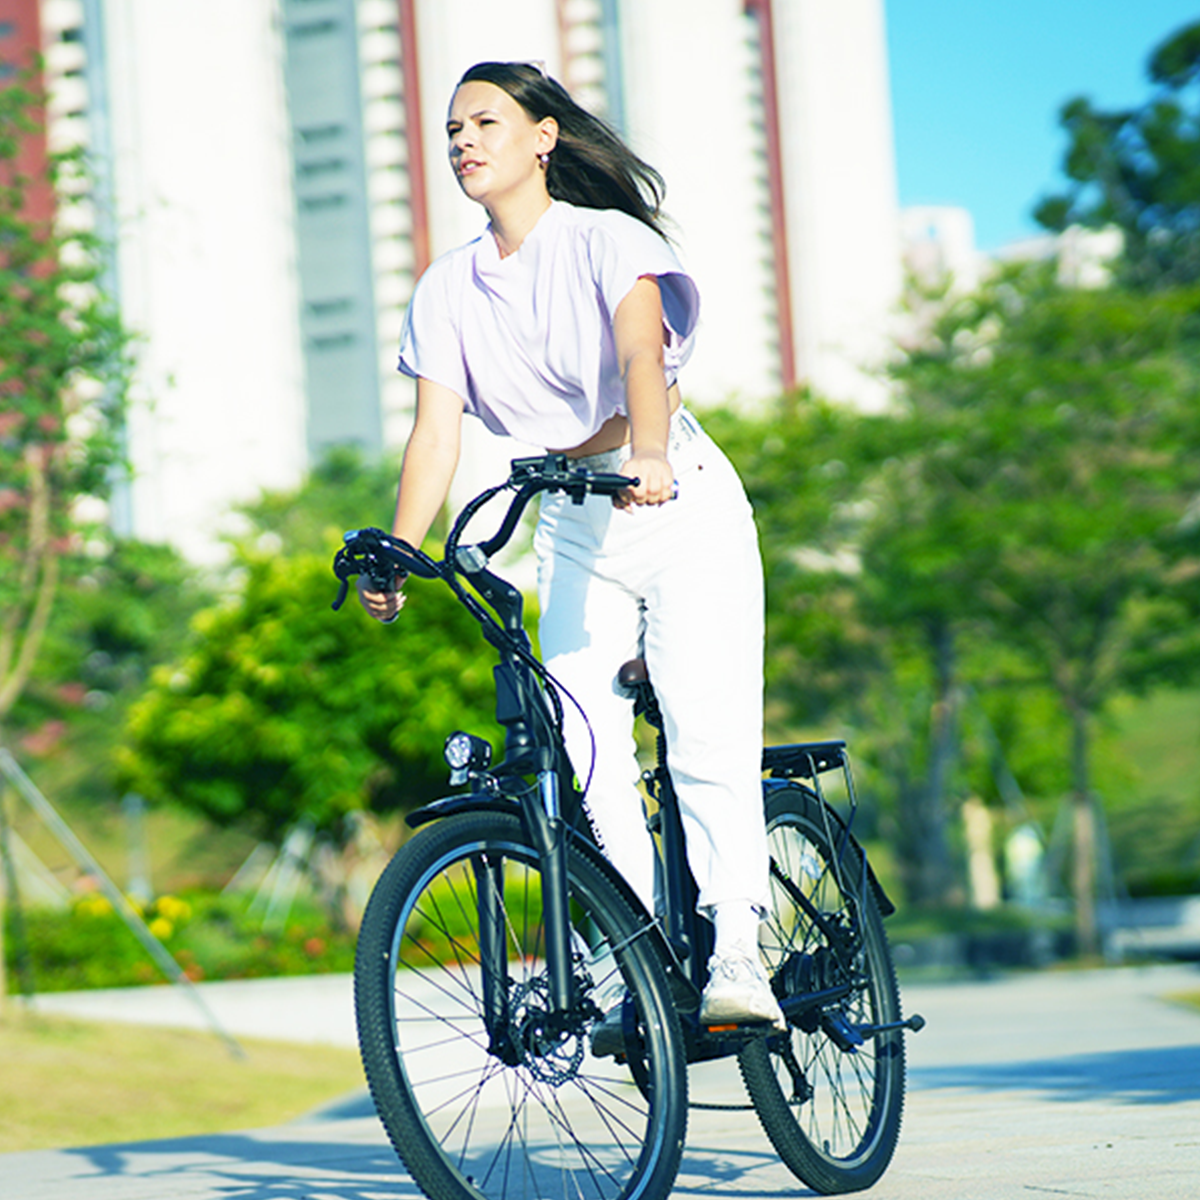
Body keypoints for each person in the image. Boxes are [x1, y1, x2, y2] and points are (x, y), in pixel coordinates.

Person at [358, 61, 783, 1033]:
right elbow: (436, 432)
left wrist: (649, 449)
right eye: (453, 129)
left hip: (679, 502)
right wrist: (399, 549)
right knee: (584, 755)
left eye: (486, 122)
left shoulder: (606, 239)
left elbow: (641, 352)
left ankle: (739, 954)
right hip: (573, 520)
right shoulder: (447, 287)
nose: (464, 141)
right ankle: (641, 960)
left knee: (704, 734)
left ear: (543, 137)